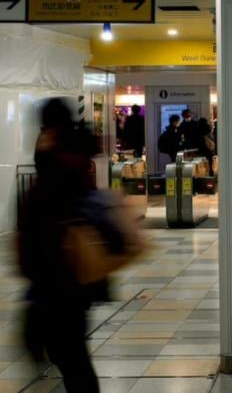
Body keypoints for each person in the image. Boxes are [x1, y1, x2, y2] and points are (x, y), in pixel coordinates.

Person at [17, 98, 144, 392]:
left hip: (55, 280)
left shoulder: (52, 155)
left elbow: (50, 206)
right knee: (73, 355)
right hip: (69, 281)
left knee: (72, 361)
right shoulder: (74, 147)